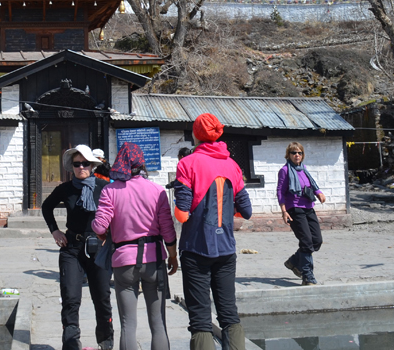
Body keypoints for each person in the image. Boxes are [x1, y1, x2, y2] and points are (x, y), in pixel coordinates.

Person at [173, 114, 251, 350]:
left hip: (196, 249)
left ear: (196, 134)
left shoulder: (187, 164)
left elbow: (182, 213)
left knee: (200, 319)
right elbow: (246, 211)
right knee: (229, 313)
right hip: (226, 250)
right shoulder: (233, 165)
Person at [91, 142, 177, 350]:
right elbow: (168, 230)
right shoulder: (157, 191)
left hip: (124, 262)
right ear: (142, 163)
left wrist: (103, 235)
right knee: (158, 324)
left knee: (128, 324)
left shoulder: (110, 191)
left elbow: (98, 225)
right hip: (155, 259)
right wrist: (173, 257)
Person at [42, 144, 114, 350]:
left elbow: (116, 212)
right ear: (71, 167)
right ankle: (71, 343)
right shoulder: (66, 189)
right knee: (71, 297)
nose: (81, 167)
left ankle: (106, 342)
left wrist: (111, 235)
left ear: (91, 165)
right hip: (72, 247)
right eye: (77, 164)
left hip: (99, 248)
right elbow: (47, 207)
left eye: (85, 163)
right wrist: (54, 230)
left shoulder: (103, 187)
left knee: (102, 298)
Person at [277, 142, 327, 286]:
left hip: (308, 207)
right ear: (289, 155)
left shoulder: (303, 169)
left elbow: (310, 185)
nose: (297, 155)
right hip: (294, 209)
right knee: (306, 242)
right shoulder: (285, 171)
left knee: (316, 241)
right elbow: (280, 191)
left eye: (299, 153)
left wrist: (318, 192)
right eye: (293, 153)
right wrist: (284, 211)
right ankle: (307, 276)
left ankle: (293, 261)